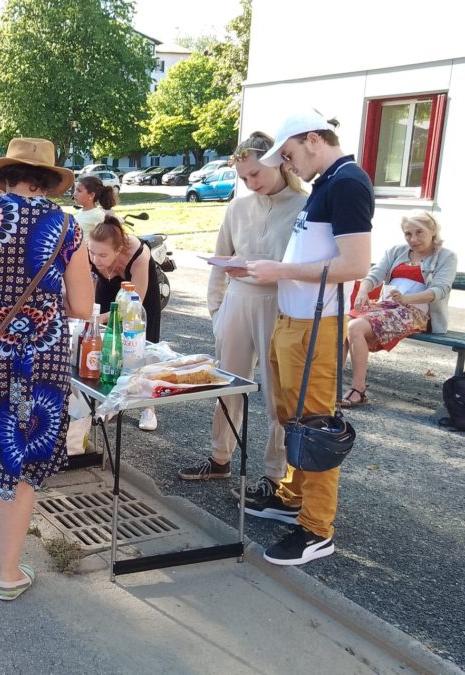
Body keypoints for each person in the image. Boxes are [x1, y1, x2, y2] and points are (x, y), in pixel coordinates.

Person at [0, 138, 93, 600]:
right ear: (47, 180)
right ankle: (10, 573)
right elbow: (84, 305)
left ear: (3, 176)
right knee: (23, 457)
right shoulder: (67, 227)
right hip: (42, 353)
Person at [243, 110, 373, 565]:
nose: (289, 165)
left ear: (314, 140)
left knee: (315, 423)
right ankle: (292, 496)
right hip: (294, 318)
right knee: (291, 415)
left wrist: (281, 270)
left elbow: (355, 266)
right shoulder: (329, 181)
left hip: (317, 325)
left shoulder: (348, 183)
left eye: (291, 154)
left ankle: (317, 528)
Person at [177, 132, 307, 502]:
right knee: (228, 383)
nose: (251, 183)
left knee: (276, 390)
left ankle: (274, 473)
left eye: (256, 174)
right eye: (245, 177)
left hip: (279, 304)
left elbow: (304, 266)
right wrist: (216, 310)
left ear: (280, 161)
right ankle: (220, 457)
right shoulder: (237, 206)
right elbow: (219, 261)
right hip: (237, 301)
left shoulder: (303, 205)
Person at [342, 211, 458, 407]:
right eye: (408, 234)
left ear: (433, 231)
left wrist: (406, 299)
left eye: (419, 232)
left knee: (355, 327)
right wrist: (363, 291)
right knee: (342, 323)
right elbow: (374, 275)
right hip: (387, 306)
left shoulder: (446, 257)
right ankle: (331, 385)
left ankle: (358, 389)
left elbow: (440, 290)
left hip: (417, 312)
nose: (413, 239)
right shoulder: (397, 251)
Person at [85, 214, 162, 431]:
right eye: (92, 252)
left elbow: (133, 304)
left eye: (102, 254)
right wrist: (91, 316)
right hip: (107, 286)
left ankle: (149, 406)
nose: (96, 259)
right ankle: (110, 401)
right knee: (106, 343)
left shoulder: (138, 254)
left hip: (136, 296)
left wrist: (100, 318)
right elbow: (87, 294)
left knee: (143, 346)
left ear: (118, 251)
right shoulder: (89, 253)